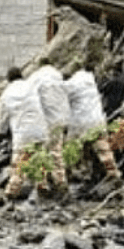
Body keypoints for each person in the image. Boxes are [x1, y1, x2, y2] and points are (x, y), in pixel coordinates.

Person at [0, 66, 51, 201]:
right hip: (40, 130)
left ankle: (11, 193)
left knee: (20, 164)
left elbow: (1, 121)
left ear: (8, 80)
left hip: (22, 134)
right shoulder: (31, 86)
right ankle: (42, 188)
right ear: (21, 76)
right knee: (40, 159)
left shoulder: (6, 94)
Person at [65, 63, 123, 188]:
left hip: (80, 123)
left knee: (71, 150)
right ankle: (113, 174)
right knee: (104, 150)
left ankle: (68, 177)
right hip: (97, 121)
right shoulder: (92, 82)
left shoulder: (71, 84)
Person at [28, 58, 72, 199]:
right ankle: (61, 183)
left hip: (44, 120)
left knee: (39, 153)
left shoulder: (36, 77)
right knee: (56, 152)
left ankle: (42, 185)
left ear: (40, 65)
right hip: (60, 120)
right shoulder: (59, 77)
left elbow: (29, 97)